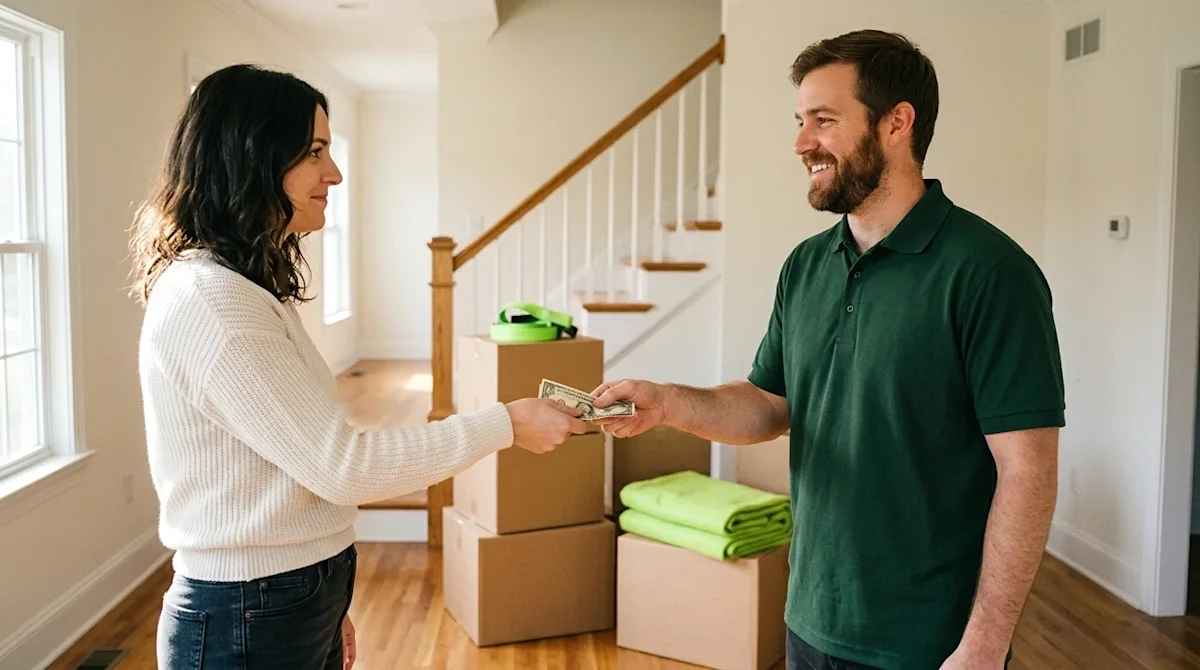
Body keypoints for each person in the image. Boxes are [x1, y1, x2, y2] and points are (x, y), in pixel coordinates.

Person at [591, 29, 1064, 670]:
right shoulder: (806, 266)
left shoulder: (991, 273)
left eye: (824, 120)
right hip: (809, 620)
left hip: (931, 643)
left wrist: (983, 644)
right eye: (799, 121)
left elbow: (1027, 472)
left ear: (897, 123)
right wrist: (666, 402)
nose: (801, 142)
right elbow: (768, 404)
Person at [128, 64, 588, 670]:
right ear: (253, 154)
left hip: (279, 601)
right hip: (249, 615)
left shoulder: (243, 286)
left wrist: (324, 601)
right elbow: (341, 467)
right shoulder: (213, 301)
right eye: (315, 151)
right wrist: (505, 424)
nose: (334, 173)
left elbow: (291, 466)